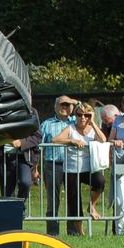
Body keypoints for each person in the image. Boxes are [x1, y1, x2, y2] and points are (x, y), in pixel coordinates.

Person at [53, 102, 107, 235]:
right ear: (75, 115)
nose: (83, 118)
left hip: (89, 168)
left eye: (87, 115)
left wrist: (93, 122)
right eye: (79, 114)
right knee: (74, 201)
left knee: (100, 181)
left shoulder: (93, 129)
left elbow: (103, 140)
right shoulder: (70, 128)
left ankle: (92, 206)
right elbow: (55, 139)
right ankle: (81, 233)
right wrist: (72, 141)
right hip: (72, 169)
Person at [39, 95, 77, 235]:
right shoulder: (46, 124)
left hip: (72, 165)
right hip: (52, 164)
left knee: (72, 197)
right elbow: (39, 147)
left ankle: (73, 231)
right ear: (55, 107)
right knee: (52, 199)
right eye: (61, 104)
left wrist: (75, 102)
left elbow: (88, 111)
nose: (64, 107)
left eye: (67, 105)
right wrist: (35, 168)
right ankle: (52, 232)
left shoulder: (76, 121)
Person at [0, 111, 41, 203]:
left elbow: (37, 137)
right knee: (7, 194)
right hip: (4, 158)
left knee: (25, 183)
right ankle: (10, 215)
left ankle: (20, 206)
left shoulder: (31, 111)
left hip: (24, 158)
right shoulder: (1, 110)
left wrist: (21, 143)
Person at [108, 93, 124, 234]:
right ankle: (119, 231)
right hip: (121, 163)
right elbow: (109, 140)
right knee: (121, 199)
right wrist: (114, 141)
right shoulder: (117, 120)